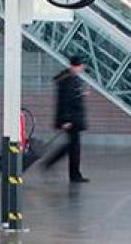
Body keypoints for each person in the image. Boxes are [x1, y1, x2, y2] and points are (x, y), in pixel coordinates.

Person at [44, 55, 89, 183]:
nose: (82, 68)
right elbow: (64, 101)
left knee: (72, 147)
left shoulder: (70, 78)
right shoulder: (68, 80)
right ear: (77, 66)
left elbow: (71, 97)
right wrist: (66, 120)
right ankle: (73, 174)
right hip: (71, 120)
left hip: (73, 119)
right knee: (74, 148)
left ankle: (55, 165)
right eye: (81, 66)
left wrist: (81, 93)